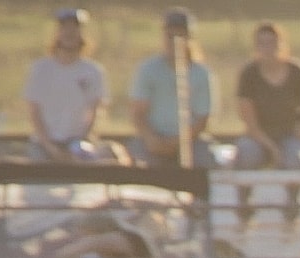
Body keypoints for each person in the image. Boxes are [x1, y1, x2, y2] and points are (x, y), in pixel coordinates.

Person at [25, 8, 112, 160]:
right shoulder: (41, 69)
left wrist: (83, 141)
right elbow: (34, 112)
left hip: (78, 144)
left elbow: (95, 110)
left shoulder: (93, 71)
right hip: (44, 144)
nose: (69, 33)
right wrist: (49, 146)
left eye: (74, 28)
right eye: (65, 28)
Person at [132, 8, 215, 164]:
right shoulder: (148, 69)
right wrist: (151, 139)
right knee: (136, 160)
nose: (174, 41)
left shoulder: (202, 73)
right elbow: (138, 112)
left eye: (180, 35)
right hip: (153, 138)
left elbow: (203, 119)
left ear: (189, 38)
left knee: (206, 160)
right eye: (170, 36)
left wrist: (177, 142)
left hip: (191, 140)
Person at [235, 21, 300, 165]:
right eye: (262, 43)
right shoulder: (249, 74)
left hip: (291, 134)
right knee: (247, 152)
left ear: (281, 44)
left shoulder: (297, 72)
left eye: (272, 43)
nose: (268, 48)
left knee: (296, 156)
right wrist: (273, 148)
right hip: (259, 136)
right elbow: (250, 124)